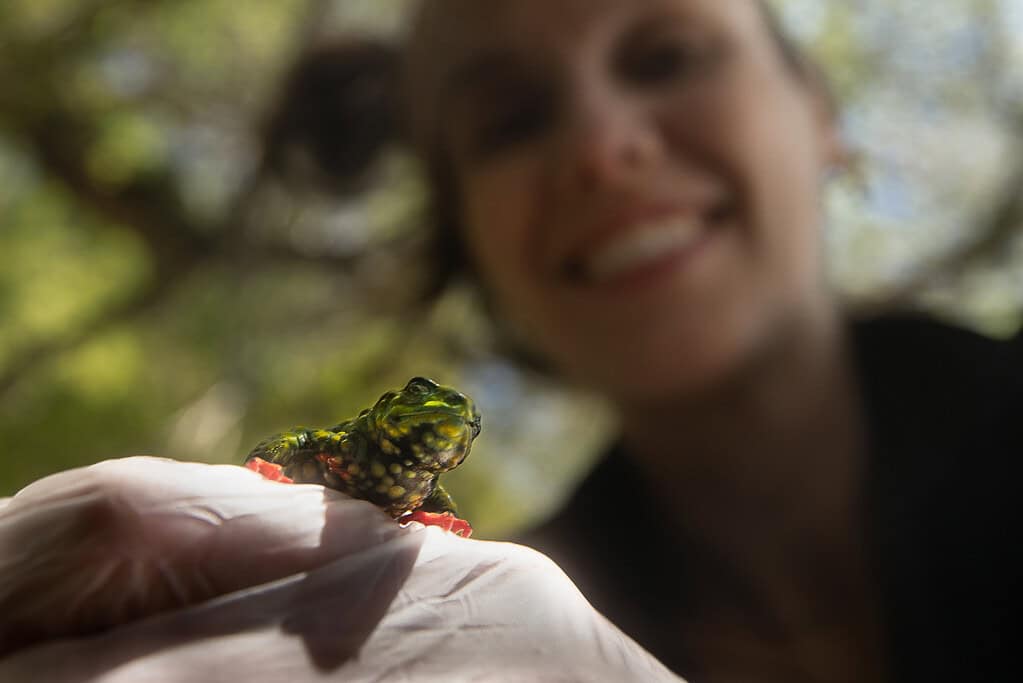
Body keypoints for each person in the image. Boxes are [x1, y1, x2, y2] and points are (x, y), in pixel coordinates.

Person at [1, 0, 1019, 680]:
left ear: (820, 112)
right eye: (512, 121)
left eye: (665, 55)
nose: (601, 148)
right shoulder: (472, 604)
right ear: (471, 252)